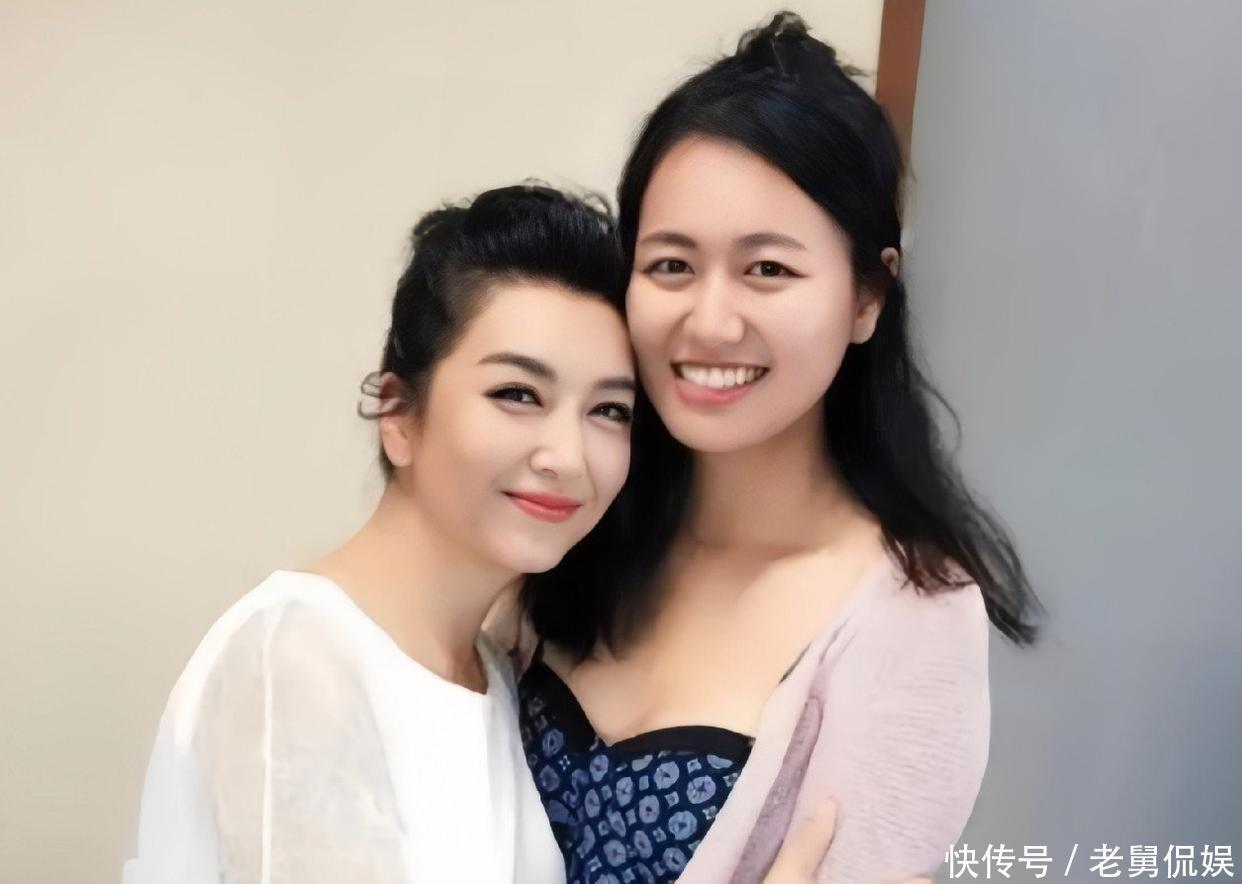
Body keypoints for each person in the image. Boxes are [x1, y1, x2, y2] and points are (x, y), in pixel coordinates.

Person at [516, 12, 1040, 883]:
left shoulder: (912, 614)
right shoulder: (570, 515)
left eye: (768, 269)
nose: (710, 322)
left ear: (868, 296)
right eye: (672, 265)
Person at [123, 184, 637, 883]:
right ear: (398, 415)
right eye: (517, 394)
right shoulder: (296, 656)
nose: (568, 457)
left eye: (609, 410)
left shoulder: (491, 672)